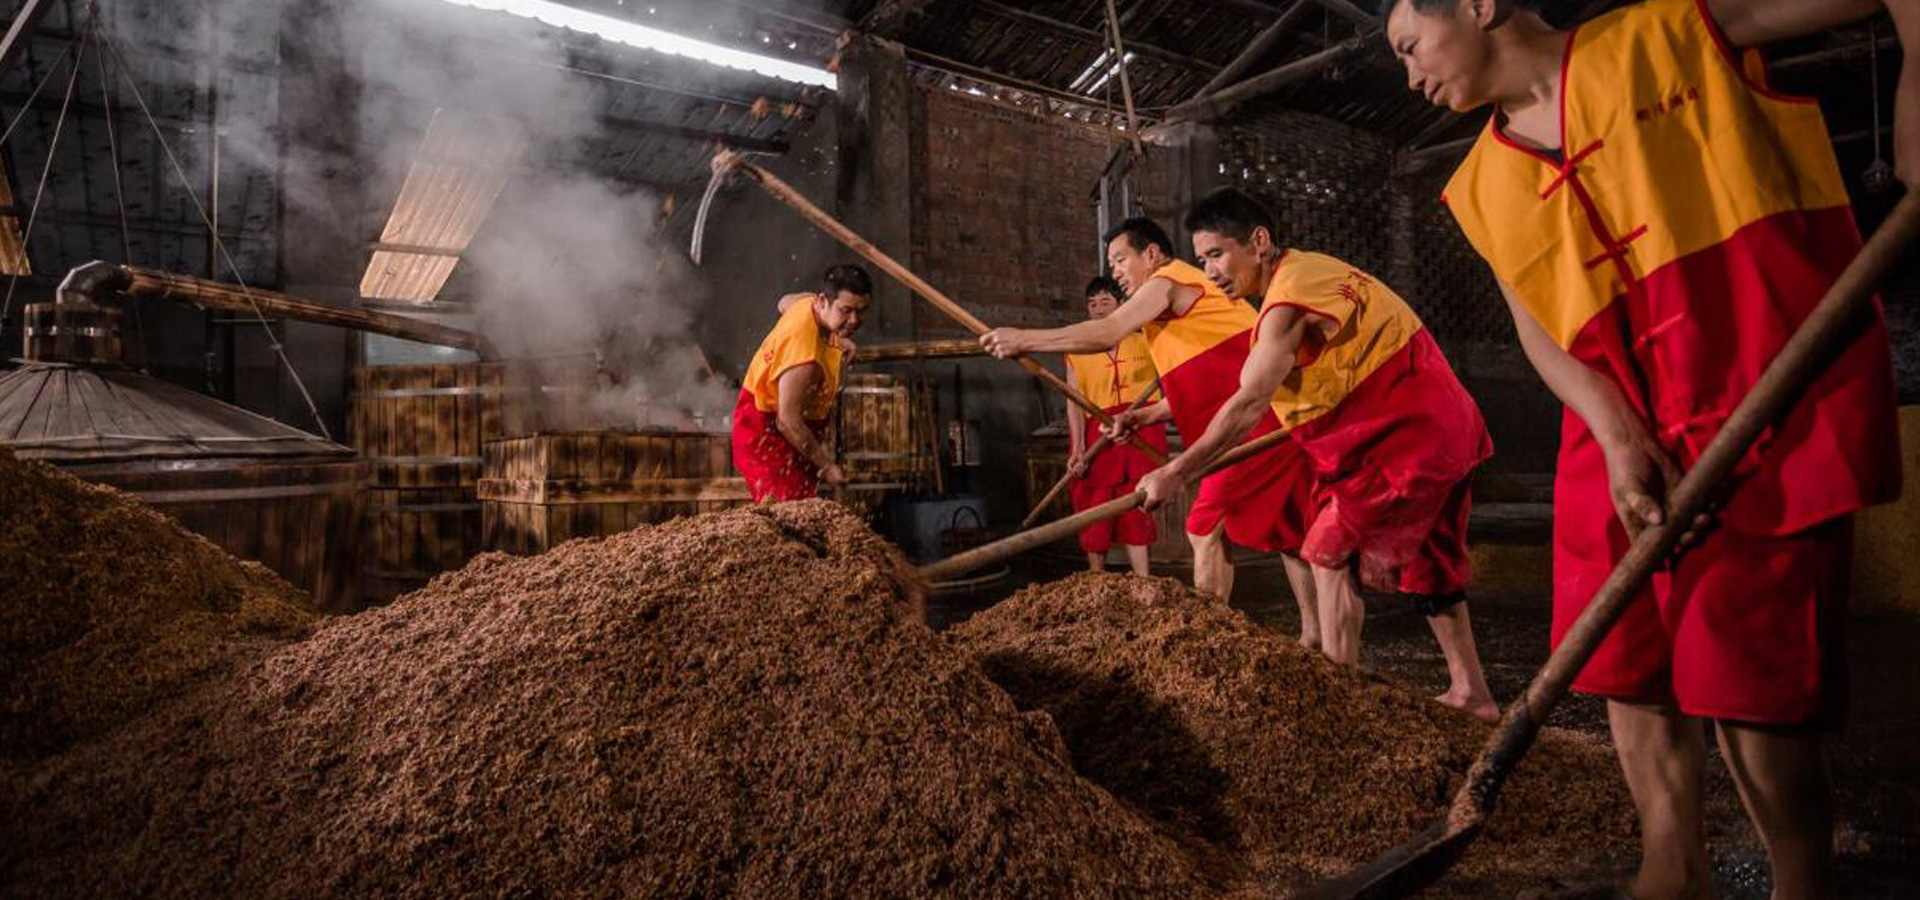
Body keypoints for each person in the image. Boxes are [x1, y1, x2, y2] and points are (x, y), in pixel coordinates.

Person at [1382, 0, 1910, 896]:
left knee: (1751, 681)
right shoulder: (1477, 184)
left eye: (1409, 45)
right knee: (1629, 667)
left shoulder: (1671, 35)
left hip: (1755, 409)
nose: (1409, 76)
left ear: (1478, 5)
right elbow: (1538, 329)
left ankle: (1801, 878)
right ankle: (1673, 870)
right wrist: (1617, 433)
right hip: (1610, 436)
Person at [1136, 187, 1498, 721]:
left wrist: (1176, 469)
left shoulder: (1285, 304)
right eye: (1202, 258)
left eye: (1215, 254)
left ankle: (1337, 708)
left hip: (1404, 441)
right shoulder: (1314, 269)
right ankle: (1474, 694)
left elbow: (1248, 402)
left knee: (1325, 553)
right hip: (1449, 427)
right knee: (1434, 566)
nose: (1209, 270)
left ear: (1258, 242)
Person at [982, 218, 1322, 647]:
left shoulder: (1167, 280)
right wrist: (1143, 416)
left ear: (1153, 255)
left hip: (1249, 422)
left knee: (1204, 527)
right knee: (1287, 532)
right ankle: (1312, 637)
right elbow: (1204, 385)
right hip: (1248, 421)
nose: (1117, 271)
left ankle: (1208, 638)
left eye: (1121, 259)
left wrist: (1023, 338)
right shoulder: (1177, 309)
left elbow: (1106, 334)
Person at [731, 263, 872, 503]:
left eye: (861, 311)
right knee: (792, 514)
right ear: (823, 301)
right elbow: (787, 421)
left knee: (803, 507)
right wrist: (827, 466)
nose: (854, 320)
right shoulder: (804, 358)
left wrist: (837, 335)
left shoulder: (806, 305)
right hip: (767, 438)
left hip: (790, 432)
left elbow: (784, 301)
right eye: (846, 310)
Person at [1063, 276, 1166, 576]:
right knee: (1094, 503)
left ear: (1121, 304)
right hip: (1100, 431)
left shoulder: (1147, 339)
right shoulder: (1077, 350)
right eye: (1092, 304)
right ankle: (1097, 579)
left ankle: (1144, 579)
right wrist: (1078, 447)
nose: (1097, 309)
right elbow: (1075, 401)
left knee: (1138, 500)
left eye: (1105, 301)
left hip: (1141, 428)